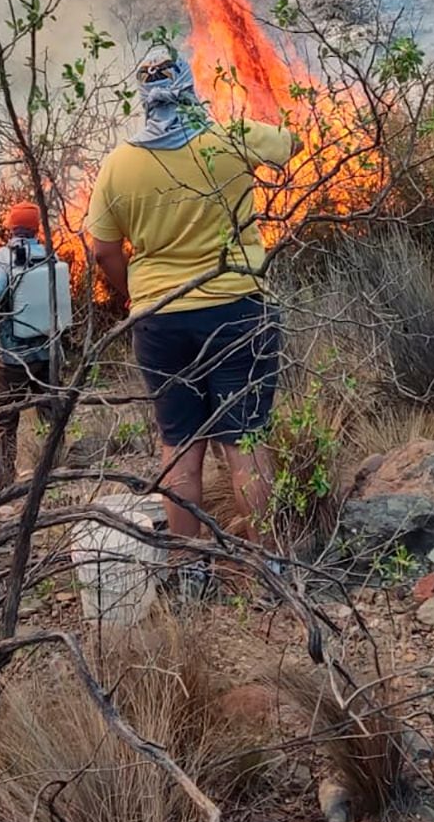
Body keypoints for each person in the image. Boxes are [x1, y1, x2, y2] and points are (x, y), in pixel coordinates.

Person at [85, 47, 299, 579]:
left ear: (142, 98)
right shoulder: (228, 139)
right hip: (238, 309)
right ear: (188, 86)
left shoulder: (120, 164)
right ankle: (270, 568)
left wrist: (136, 296)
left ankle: (186, 570)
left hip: (161, 320)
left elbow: (102, 251)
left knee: (180, 444)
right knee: (244, 439)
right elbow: (288, 146)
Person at [0, 201, 71, 488]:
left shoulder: (3, 257)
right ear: (36, 227)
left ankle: (2, 479)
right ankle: (55, 469)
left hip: (12, 356)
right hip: (49, 351)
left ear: (11, 226)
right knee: (51, 414)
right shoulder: (50, 255)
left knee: (5, 419)